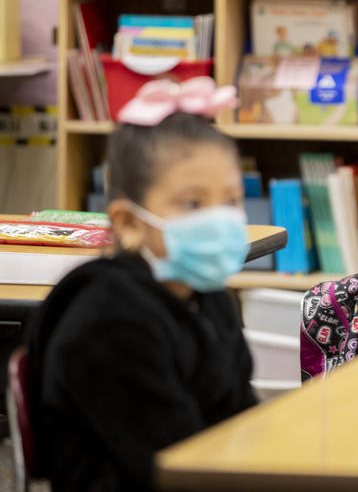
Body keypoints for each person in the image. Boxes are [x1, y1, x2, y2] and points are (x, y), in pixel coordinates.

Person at [27, 77, 257, 491]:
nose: (220, 219)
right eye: (192, 203)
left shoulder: (209, 299)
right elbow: (176, 466)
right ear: (129, 222)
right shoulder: (108, 320)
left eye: (232, 201)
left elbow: (243, 420)